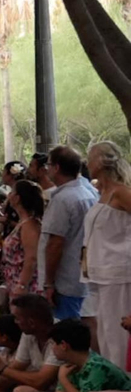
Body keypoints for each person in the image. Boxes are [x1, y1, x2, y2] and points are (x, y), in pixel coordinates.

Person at [83, 141, 131, 369]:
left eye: (90, 158)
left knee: (117, 337)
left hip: (118, 273)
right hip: (99, 274)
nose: (87, 163)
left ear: (102, 162)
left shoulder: (121, 192)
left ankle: (123, 381)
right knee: (105, 335)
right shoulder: (102, 193)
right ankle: (113, 378)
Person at [39, 144, 97, 321]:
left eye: (49, 165)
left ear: (56, 168)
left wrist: (49, 282)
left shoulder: (63, 200)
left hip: (65, 279)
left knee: (67, 328)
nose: (47, 169)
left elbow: (55, 243)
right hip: (82, 274)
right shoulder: (89, 193)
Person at [0, 179, 46, 299]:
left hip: (25, 286)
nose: (8, 196)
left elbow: (31, 258)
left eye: (11, 192)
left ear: (17, 198)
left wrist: (22, 285)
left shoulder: (30, 225)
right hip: (13, 281)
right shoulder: (23, 223)